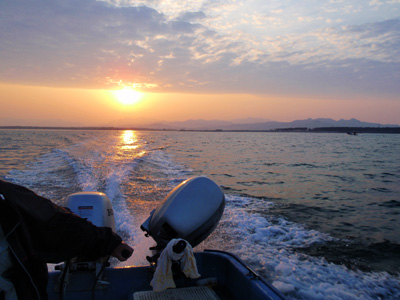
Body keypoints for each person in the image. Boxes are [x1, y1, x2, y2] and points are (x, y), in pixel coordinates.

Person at [0, 179, 134, 300]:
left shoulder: (7, 197)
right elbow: (52, 220)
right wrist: (110, 242)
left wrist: (107, 241)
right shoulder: (8, 196)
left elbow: (55, 222)